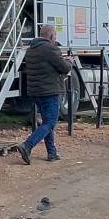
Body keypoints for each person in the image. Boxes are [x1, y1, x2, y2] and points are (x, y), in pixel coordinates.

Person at [18, 25, 72, 164]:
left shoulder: (31, 49)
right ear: (52, 36)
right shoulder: (51, 48)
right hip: (50, 91)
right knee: (50, 122)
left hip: (36, 91)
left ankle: (52, 152)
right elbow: (64, 68)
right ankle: (27, 145)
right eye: (55, 37)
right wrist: (69, 61)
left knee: (48, 122)